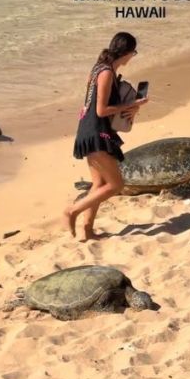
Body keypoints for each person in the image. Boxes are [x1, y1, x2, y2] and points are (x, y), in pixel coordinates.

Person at [63, 32, 148, 240]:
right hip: (96, 131)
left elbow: (94, 105)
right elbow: (101, 110)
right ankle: (72, 211)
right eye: (134, 53)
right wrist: (132, 104)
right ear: (127, 52)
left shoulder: (98, 68)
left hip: (88, 129)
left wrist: (131, 108)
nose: (132, 57)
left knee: (99, 184)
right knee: (116, 185)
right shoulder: (107, 73)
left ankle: (88, 230)